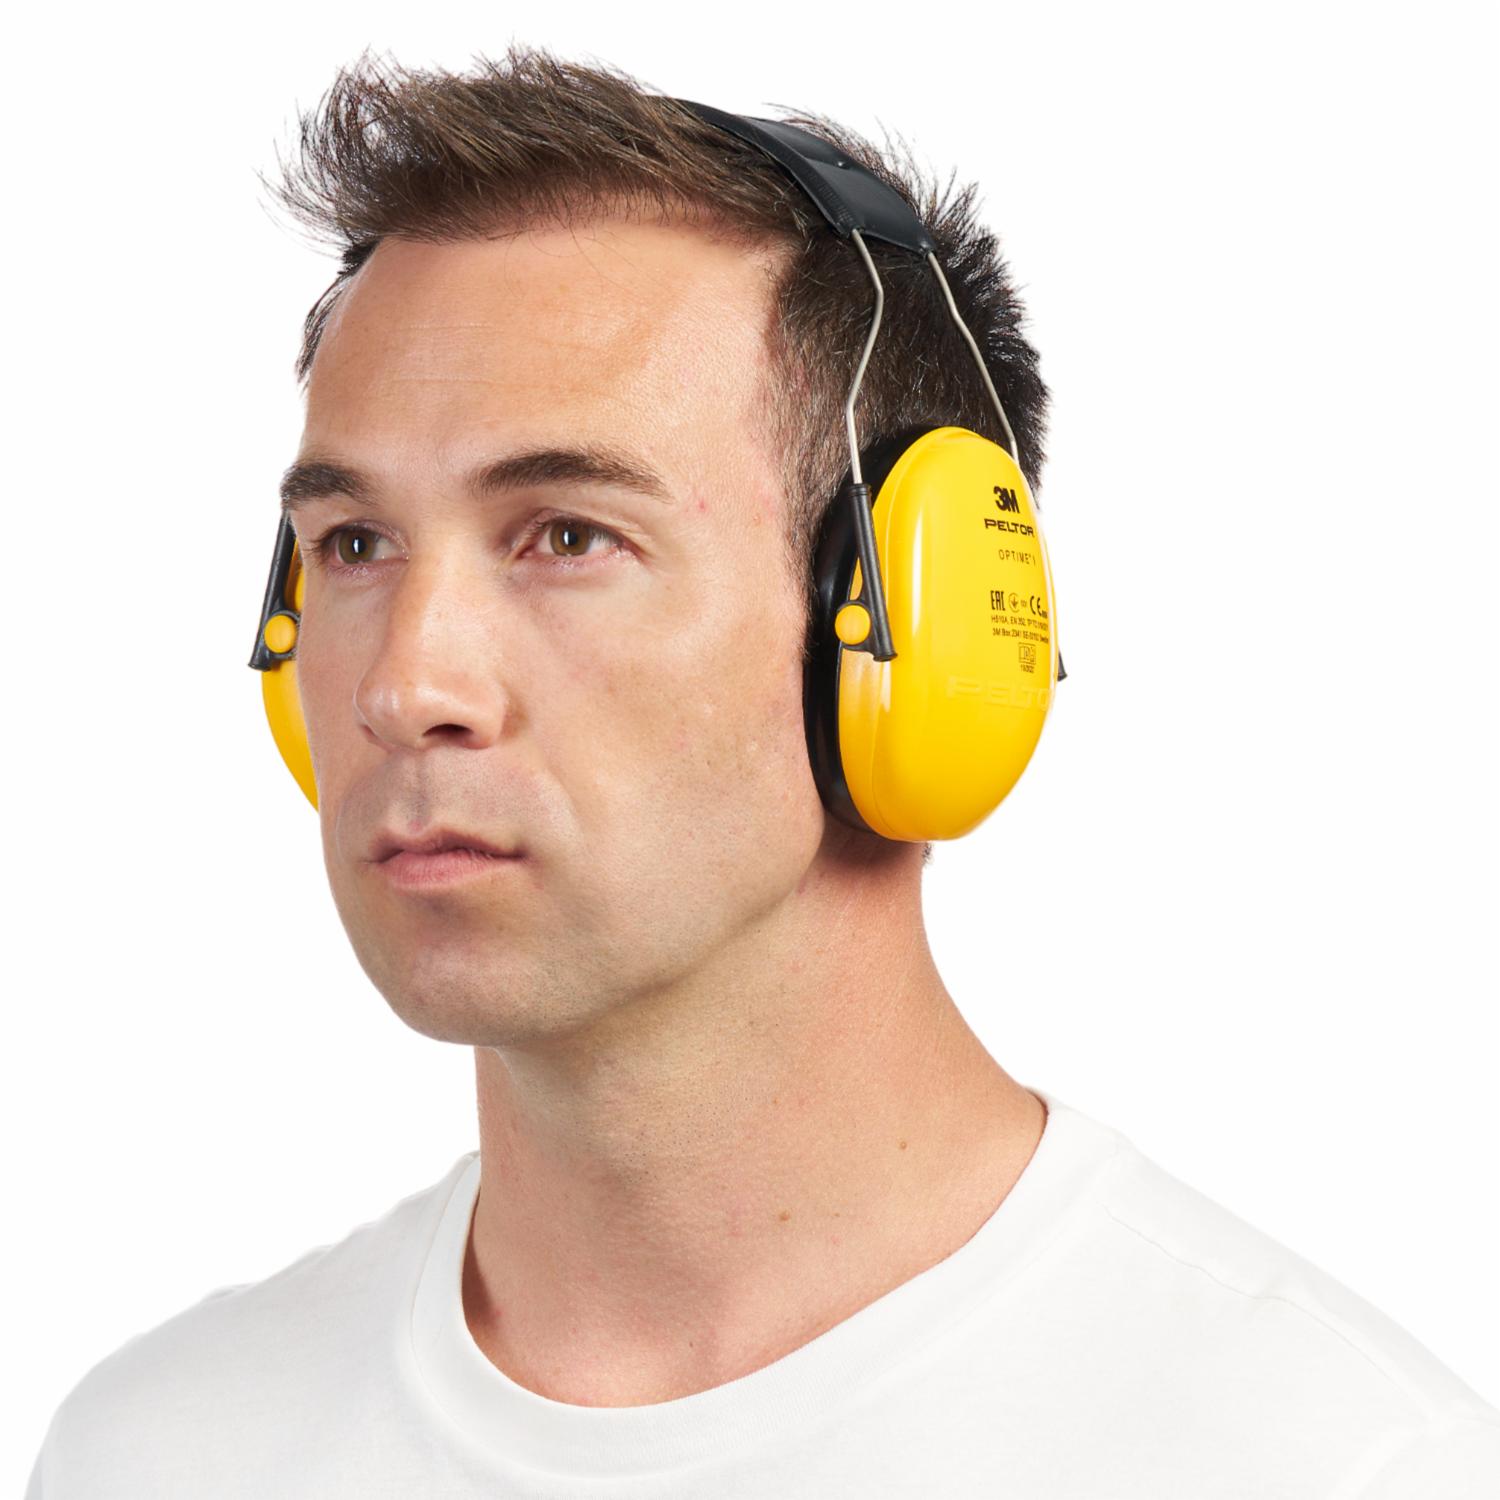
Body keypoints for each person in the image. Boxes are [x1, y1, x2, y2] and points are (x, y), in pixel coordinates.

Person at [25, 44, 1500, 1499]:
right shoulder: (158, 1456)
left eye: (567, 535)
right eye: (355, 546)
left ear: (915, 630)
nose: (407, 686)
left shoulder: (1336, 1466)